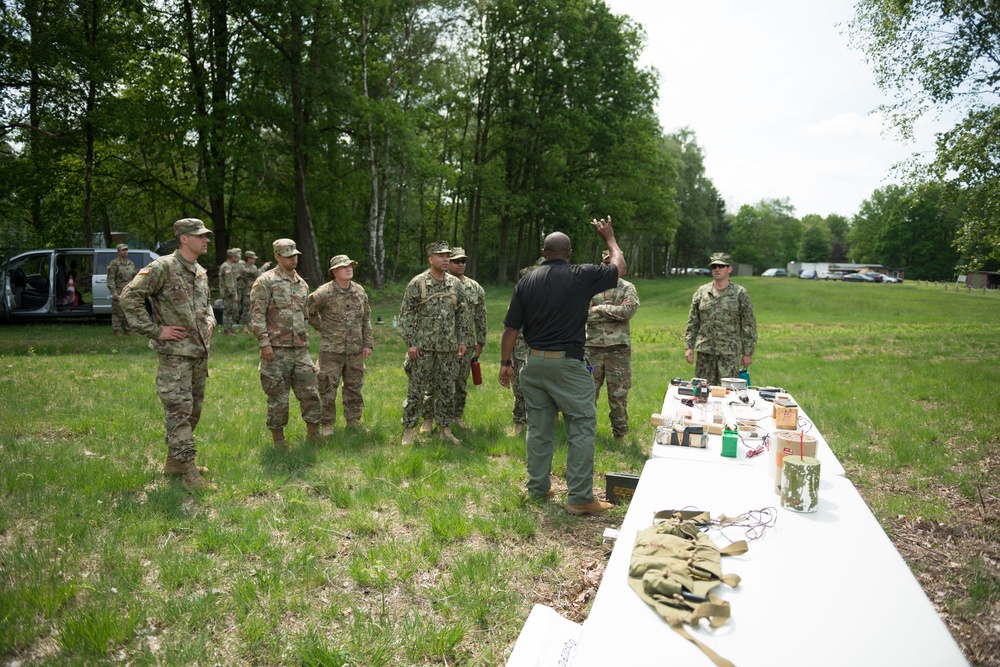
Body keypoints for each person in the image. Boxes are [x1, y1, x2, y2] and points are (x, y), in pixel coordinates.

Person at [498, 219, 625, 516]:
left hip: (533, 363)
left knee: (539, 429)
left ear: (544, 253)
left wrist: (505, 363)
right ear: (569, 253)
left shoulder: (526, 281)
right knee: (581, 427)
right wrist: (609, 238)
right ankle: (580, 497)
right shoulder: (580, 275)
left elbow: (510, 329)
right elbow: (618, 267)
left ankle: (538, 489)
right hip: (567, 364)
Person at [119, 218, 216, 490]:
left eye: (206, 235)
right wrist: (155, 330)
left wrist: (211, 319)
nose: (206, 240)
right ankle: (189, 474)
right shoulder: (163, 266)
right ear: (184, 238)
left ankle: (174, 463)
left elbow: (207, 304)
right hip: (175, 357)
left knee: (193, 411)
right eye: (200, 236)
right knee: (179, 413)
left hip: (198, 355)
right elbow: (128, 296)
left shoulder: (200, 271)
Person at [250, 239, 323, 449]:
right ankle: (279, 440)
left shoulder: (302, 284)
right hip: (276, 350)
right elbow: (257, 315)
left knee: (310, 392)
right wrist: (264, 344)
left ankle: (313, 434)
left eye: (295, 255)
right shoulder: (265, 281)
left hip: (300, 349)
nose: (293, 259)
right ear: (277, 256)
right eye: (288, 255)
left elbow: (305, 315)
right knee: (278, 398)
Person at [398, 241, 471, 446]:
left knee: (447, 390)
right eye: (441, 256)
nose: (446, 259)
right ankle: (409, 431)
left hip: (448, 348)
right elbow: (405, 315)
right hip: (423, 349)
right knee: (416, 390)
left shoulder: (455, 284)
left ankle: (445, 430)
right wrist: (411, 343)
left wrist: (462, 340)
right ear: (431, 259)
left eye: (447, 256)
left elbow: (462, 314)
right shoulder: (418, 283)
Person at [420, 246, 486, 431]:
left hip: (466, 342)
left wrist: (480, 341)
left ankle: (456, 416)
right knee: (433, 382)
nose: (460, 264)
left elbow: (481, 316)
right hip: (440, 342)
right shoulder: (436, 284)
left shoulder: (474, 287)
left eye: (463, 261)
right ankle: (428, 418)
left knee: (460, 382)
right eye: (456, 261)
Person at [307, 254, 373, 435]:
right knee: (327, 387)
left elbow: (366, 318)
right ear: (334, 272)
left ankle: (353, 420)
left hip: (355, 349)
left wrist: (367, 343)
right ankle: (327, 423)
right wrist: (323, 327)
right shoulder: (323, 292)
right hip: (331, 350)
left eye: (350, 265)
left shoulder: (359, 291)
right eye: (344, 267)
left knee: (354, 386)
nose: (348, 268)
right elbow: (308, 311)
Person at [586, 250, 640, 443]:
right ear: (602, 265)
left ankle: (620, 437)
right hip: (591, 349)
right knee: (587, 394)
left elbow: (627, 312)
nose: (610, 267)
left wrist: (600, 308)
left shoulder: (627, 288)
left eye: (614, 263)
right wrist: (614, 313)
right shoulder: (590, 286)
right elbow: (583, 314)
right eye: (607, 264)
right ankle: (585, 435)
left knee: (618, 396)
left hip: (618, 351)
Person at [684, 252, 758, 386]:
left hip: (729, 352)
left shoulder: (739, 293)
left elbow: (749, 324)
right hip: (705, 351)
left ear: (729, 269)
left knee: (730, 392)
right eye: (714, 266)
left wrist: (748, 352)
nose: (717, 269)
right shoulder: (702, 292)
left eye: (721, 266)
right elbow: (693, 322)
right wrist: (689, 347)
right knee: (703, 391)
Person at [509, 257, 544, 435]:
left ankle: (546, 423)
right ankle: (519, 423)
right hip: (523, 347)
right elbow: (511, 327)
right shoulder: (521, 298)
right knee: (520, 386)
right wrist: (508, 357)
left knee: (547, 387)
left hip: (548, 348)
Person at [106, 243, 136, 335]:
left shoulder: (131, 263)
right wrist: (113, 292)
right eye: (123, 250)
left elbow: (134, 277)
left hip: (128, 291)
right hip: (118, 291)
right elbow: (110, 279)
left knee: (128, 311)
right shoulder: (114, 263)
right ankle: (116, 330)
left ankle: (127, 330)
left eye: (126, 250)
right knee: (118, 312)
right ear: (118, 252)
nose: (125, 252)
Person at [219, 248, 241, 334]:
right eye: (236, 257)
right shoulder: (227, 266)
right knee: (228, 311)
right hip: (228, 293)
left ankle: (229, 328)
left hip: (228, 292)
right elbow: (229, 283)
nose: (237, 258)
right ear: (233, 257)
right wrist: (234, 294)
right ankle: (227, 330)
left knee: (231, 311)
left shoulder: (228, 265)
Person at [240, 251, 260, 333]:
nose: (255, 260)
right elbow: (253, 272)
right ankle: (244, 327)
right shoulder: (243, 267)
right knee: (246, 309)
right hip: (247, 291)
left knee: (253, 308)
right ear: (248, 259)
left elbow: (257, 275)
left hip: (254, 289)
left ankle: (249, 322)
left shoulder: (254, 267)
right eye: (253, 258)